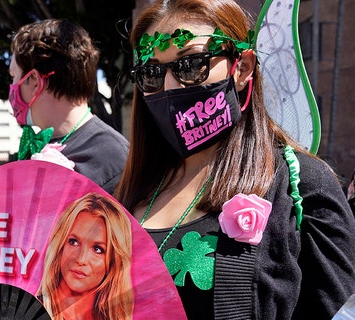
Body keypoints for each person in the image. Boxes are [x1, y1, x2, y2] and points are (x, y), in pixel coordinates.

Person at [114, 0, 355, 318]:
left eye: (191, 64)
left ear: (241, 68)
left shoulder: (302, 184)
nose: (170, 87)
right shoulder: (130, 189)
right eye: (152, 73)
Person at [9, 19, 129, 194]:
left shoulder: (114, 155)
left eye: (13, 76)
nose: (12, 86)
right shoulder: (37, 145)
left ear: (35, 81)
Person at [37, 192, 133, 320]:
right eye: (73, 242)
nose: (81, 259)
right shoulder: (30, 311)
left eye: (98, 249)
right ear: (60, 246)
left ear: (113, 262)